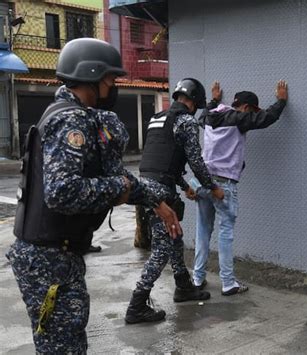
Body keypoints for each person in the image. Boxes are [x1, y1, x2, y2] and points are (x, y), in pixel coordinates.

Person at [5, 38, 181, 354]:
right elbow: (62, 192)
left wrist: (156, 200)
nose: (113, 87)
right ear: (92, 75)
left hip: (55, 255)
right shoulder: (71, 119)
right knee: (63, 346)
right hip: (48, 259)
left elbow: (118, 179)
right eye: (111, 80)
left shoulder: (73, 114)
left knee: (63, 342)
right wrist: (118, 190)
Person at [125, 78, 226, 324]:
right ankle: (137, 304)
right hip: (159, 192)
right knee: (161, 250)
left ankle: (183, 287)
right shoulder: (186, 121)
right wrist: (212, 187)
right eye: (197, 105)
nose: (195, 110)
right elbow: (195, 160)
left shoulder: (157, 118)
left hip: (146, 186)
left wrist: (183, 186)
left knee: (175, 239)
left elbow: (166, 161)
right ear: (192, 102)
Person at [191, 80, 288, 295]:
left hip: (203, 181)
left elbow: (205, 110)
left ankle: (197, 279)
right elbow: (266, 118)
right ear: (246, 108)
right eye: (252, 110)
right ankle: (228, 283)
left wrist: (214, 98)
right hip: (224, 184)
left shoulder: (207, 116)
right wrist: (281, 101)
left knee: (203, 231)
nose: (252, 114)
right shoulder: (240, 119)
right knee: (225, 233)